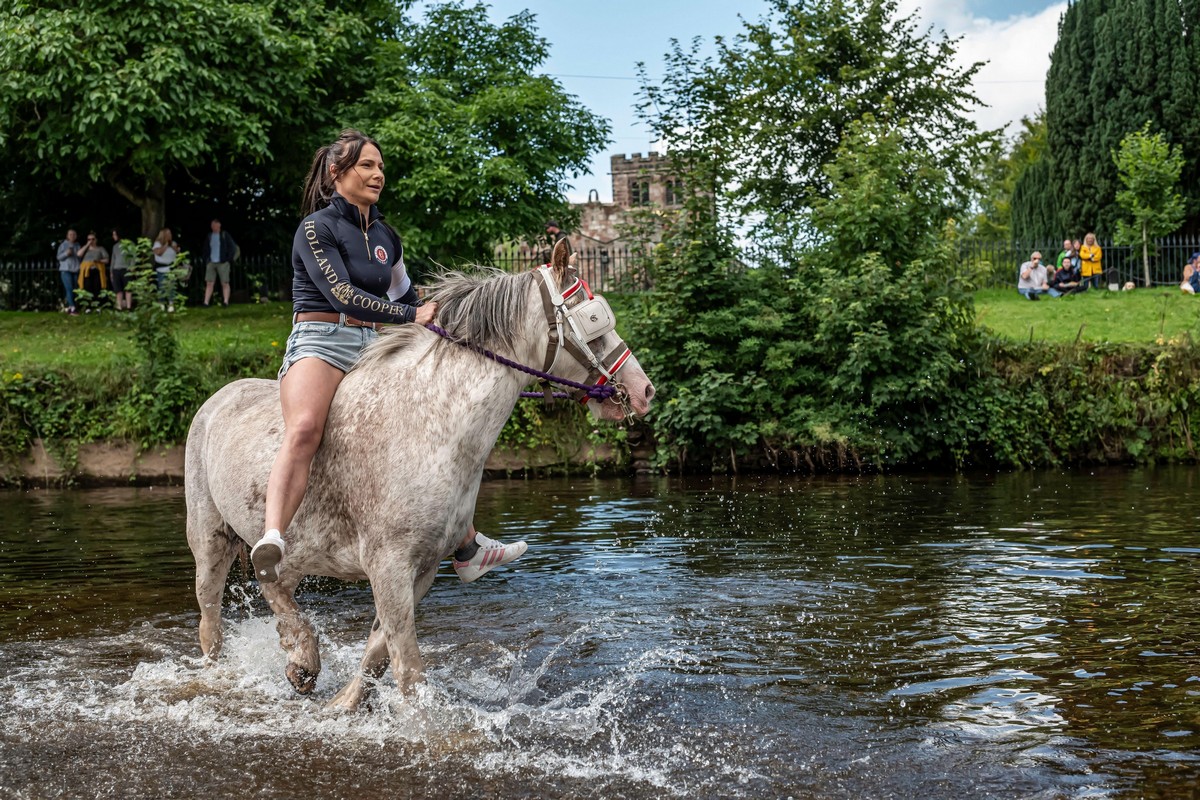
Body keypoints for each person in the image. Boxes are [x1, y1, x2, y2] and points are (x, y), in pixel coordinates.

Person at [250, 128, 526, 585]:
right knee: (303, 430)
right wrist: (410, 313)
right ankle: (273, 536)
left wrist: (442, 327)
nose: (378, 174)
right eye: (366, 165)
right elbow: (342, 295)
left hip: (375, 343)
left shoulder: (385, 236)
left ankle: (467, 546)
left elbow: (408, 296)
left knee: (428, 426)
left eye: (380, 167)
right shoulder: (316, 228)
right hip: (321, 339)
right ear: (336, 173)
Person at [199, 218, 238, 307]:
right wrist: (206, 259)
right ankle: (206, 302)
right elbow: (205, 249)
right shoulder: (209, 236)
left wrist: (227, 259)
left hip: (222, 262)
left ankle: (225, 301)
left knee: (224, 282)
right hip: (211, 262)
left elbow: (232, 247)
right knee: (209, 283)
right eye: (212, 225)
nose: (213, 227)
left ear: (219, 225)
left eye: (215, 225)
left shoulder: (225, 235)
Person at [75, 231, 109, 310]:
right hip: (86, 271)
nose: (91, 241)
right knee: (87, 288)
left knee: (97, 288)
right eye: (89, 239)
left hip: (97, 270)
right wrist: (87, 245)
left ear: (96, 240)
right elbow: (79, 254)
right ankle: (88, 307)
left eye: (92, 239)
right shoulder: (85, 249)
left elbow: (107, 260)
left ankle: (97, 306)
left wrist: (99, 261)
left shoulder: (100, 249)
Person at [152, 227, 180, 312]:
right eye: (168, 234)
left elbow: (178, 251)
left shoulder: (173, 243)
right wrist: (166, 245)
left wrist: (172, 245)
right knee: (162, 287)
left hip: (171, 268)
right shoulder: (157, 244)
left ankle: (171, 304)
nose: (170, 235)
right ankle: (161, 304)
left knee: (171, 286)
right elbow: (159, 253)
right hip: (161, 269)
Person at [56, 229, 81, 315]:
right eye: (70, 234)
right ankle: (73, 308)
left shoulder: (78, 245)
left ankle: (70, 307)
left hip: (76, 269)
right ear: (67, 236)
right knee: (69, 288)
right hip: (66, 270)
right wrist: (66, 253)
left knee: (75, 289)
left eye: (74, 234)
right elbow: (58, 257)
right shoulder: (63, 245)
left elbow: (80, 256)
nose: (72, 236)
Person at [110, 229, 133, 310]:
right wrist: (111, 271)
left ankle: (129, 306)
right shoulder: (115, 246)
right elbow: (113, 259)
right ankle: (119, 306)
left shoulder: (130, 244)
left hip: (126, 269)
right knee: (118, 289)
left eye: (114, 234)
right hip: (116, 269)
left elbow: (133, 257)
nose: (113, 236)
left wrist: (132, 267)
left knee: (128, 289)